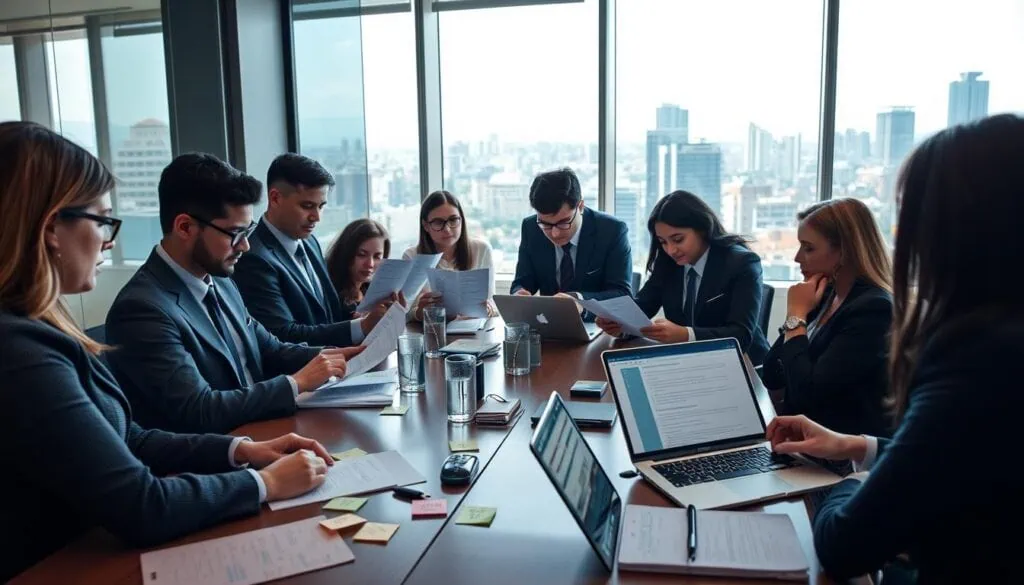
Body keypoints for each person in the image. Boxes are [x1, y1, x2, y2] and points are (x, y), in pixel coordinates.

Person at [0, 122, 335, 582]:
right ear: (51, 227)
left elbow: (130, 436)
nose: (110, 240)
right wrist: (265, 483)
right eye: (102, 220)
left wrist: (242, 451)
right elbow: (141, 504)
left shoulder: (39, 327)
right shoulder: (21, 351)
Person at [767, 114, 1024, 584]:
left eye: (909, 214)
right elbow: (965, 456)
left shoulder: (977, 357)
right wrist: (859, 448)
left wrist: (849, 482)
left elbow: (847, 543)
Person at [105, 153, 362, 434]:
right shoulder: (142, 309)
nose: (245, 247)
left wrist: (336, 356)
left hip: (267, 432)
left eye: (248, 232)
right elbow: (200, 409)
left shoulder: (221, 280)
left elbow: (270, 348)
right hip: (219, 456)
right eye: (234, 234)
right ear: (185, 227)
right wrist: (296, 383)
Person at [232, 153, 397, 347]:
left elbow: (327, 312)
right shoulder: (254, 257)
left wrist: (365, 314)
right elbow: (282, 335)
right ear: (275, 198)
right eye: (307, 206)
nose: (316, 217)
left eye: (321, 206)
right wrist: (361, 326)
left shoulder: (309, 242)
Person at [760, 198, 893, 438]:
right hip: (801, 442)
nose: (797, 258)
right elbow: (772, 370)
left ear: (845, 252)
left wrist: (796, 317)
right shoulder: (824, 295)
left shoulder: (874, 309)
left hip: (841, 454)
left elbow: (809, 393)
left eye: (808, 248)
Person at [596, 190, 770, 364]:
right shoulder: (668, 263)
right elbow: (643, 306)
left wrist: (686, 335)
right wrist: (621, 325)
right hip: (688, 363)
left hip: (744, 364)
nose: (671, 250)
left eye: (678, 239)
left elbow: (741, 334)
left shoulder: (741, 263)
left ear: (702, 229)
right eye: (663, 242)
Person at [510, 167, 631, 320]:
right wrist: (519, 293)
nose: (555, 233)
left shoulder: (611, 230)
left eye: (563, 222)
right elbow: (522, 281)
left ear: (580, 206)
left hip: (598, 326)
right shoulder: (531, 227)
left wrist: (580, 302)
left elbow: (621, 294)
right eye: (546, 224)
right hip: (549, 325)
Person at [403, 190, 497, 320]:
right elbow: (405, 312)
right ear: (425, 225)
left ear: (462, 220)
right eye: (438, 222)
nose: (447, 229)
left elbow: (492, 302)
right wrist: (420, 311)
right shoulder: (412, 256)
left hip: (473, 332)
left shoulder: (481, 249)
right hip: (432, 331)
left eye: (453, 220)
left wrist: (488, 309)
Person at [325, 218, 391, 320]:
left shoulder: (371, 290)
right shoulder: (330, 292)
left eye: (377, 257)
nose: (370, 264)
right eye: (362, 255)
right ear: (346, 252)